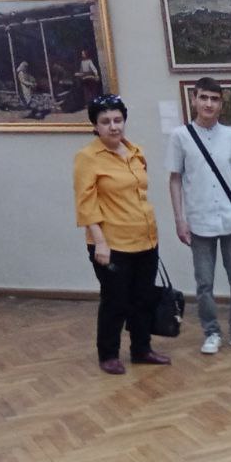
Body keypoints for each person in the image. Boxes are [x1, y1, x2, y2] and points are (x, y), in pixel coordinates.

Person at [73, 94, 170, 374]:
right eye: (105, 122)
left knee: (143, 298)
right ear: (95, 126)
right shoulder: (87, 158)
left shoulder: (135, 151)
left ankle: (141, 349)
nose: (113, 126)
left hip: (145, 238)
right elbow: (85, 204)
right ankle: (108, 354)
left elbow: (139, 193)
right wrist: (100, 243)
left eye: (118, 120)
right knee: (116, 301)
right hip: (111, 243)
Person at [166, 76, 231, 356]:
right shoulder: (180, 136)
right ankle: (211, 332)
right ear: (194, 99)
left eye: (215, 99)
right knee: (205, 283)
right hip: (199, 220)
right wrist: (179, 219)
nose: (209, 104)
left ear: (221, 104)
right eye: (204, 98)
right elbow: (174, 179)